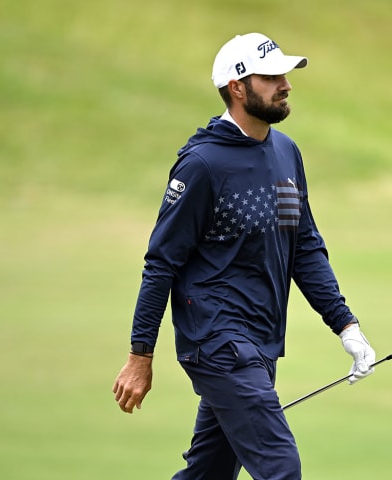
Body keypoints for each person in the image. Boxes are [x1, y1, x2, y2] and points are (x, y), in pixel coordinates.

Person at [112, 32, 376, 480]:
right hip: (217, 343)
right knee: (280, 467)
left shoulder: (286, 153)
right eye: (271, 76)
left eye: (285, 75)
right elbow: (161, 264)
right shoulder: (202, 164)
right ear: (238, 87)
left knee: (208, 474)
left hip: (260, 342)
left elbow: (305, 248)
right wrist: (141, 356)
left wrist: (346, 325)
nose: (286, 84)